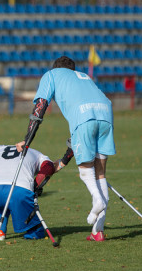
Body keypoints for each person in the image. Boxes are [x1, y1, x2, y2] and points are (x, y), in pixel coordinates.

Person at [16, 56, 115, 242]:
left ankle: (97, 200)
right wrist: (63, 160)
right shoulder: (83, 76)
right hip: (106, 114)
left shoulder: (51, 75)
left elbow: (40, 108)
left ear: (56, 68)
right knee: (100, 173)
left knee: (86, 171)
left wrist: (27, 140)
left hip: (84, 117)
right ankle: (98, 231)